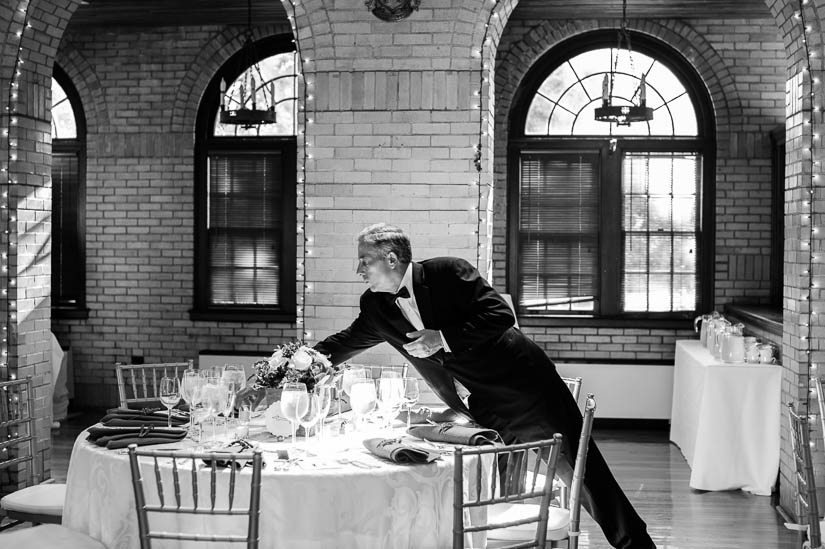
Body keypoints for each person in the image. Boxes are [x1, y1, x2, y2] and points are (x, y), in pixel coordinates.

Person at [317, 222, 655, 549]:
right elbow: (347, 341)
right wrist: (297, 362)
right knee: (487, 492)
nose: (358, 268)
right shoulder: (376, 306)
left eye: (365, 260)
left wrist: (443, 338)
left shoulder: (447, 272)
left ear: (391, 259)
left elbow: (499, 315)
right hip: (478, 410)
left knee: (588, 484)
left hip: (527, 392)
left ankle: (636, 546)